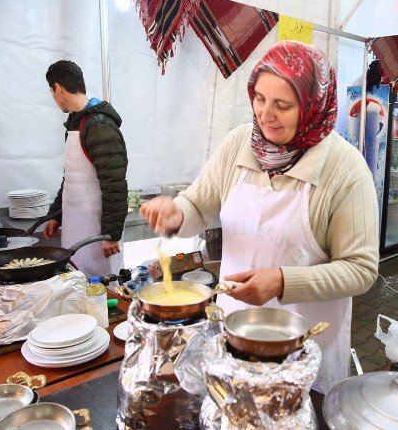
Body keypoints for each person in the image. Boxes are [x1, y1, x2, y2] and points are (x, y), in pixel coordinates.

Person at [140, 41, 379, 393]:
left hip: (301, 350)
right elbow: (198, 205)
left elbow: (360, 270)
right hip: (234, 336)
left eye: (283, 105)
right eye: (260, 98)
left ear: (313, 106)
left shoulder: (345, 169)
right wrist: (175, 214)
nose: (266, 114)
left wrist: (281, 282)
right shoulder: (240, 143)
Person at [43, 60, 128, 276]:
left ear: (58, 88)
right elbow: (71, 178)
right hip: (75, 226)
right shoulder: (75, 122)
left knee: (101, 292)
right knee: (77, 284)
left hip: (97, 232)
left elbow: (114, 185)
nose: (53, 99)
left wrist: (110, 235)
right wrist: (55, 215)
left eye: (51, 92)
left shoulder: (100, 126)